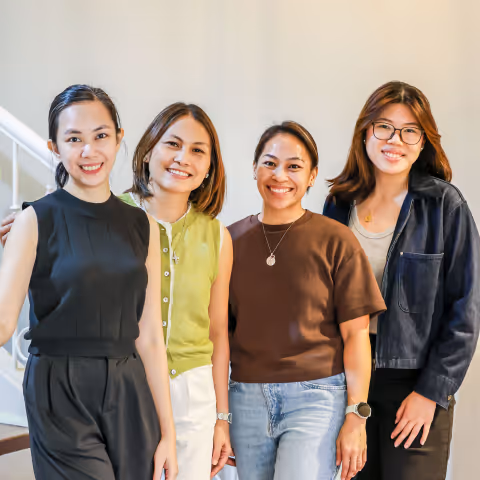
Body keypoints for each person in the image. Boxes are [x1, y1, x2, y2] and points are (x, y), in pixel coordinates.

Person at [1, 101, 233, 480]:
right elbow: (4, 321)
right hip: (62, 383)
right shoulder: (36, 218)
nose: (89, 150)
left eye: (101, 136)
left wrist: (169, 433)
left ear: (118, 140)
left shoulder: (142, 225)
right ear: (54, 147)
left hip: (132, 386)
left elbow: (151, 337)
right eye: (74, 138)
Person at [323, 81, 480, 480]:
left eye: (410, 130)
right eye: (385, 126)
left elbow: (467, 309)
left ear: (423, 141)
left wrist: (431, 392)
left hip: (417, 383)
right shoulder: (339, 205)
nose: (396, 140)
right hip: (344, 385)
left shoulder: (445, 206)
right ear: (365, 131)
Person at [227, 121, 386, 480]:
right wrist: (221, 416)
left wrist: (356, 416)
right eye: (269, 163)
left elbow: (357, 337)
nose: (279, 174)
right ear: (254, 169)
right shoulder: (229, 241)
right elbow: (219, 335)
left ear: (312, 176)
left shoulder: (337, 240)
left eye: (294, 166)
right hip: (245, 398)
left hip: (316, 398)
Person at [119, 103, 233, 480]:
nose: (184, 158)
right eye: (173, 144)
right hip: (123, 384)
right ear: (149, 150)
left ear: (208, 168)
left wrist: (221, 419)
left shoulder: (217, 236)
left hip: (193, 394)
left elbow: (217, 332)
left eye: (198, 150)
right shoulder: (110, 215)